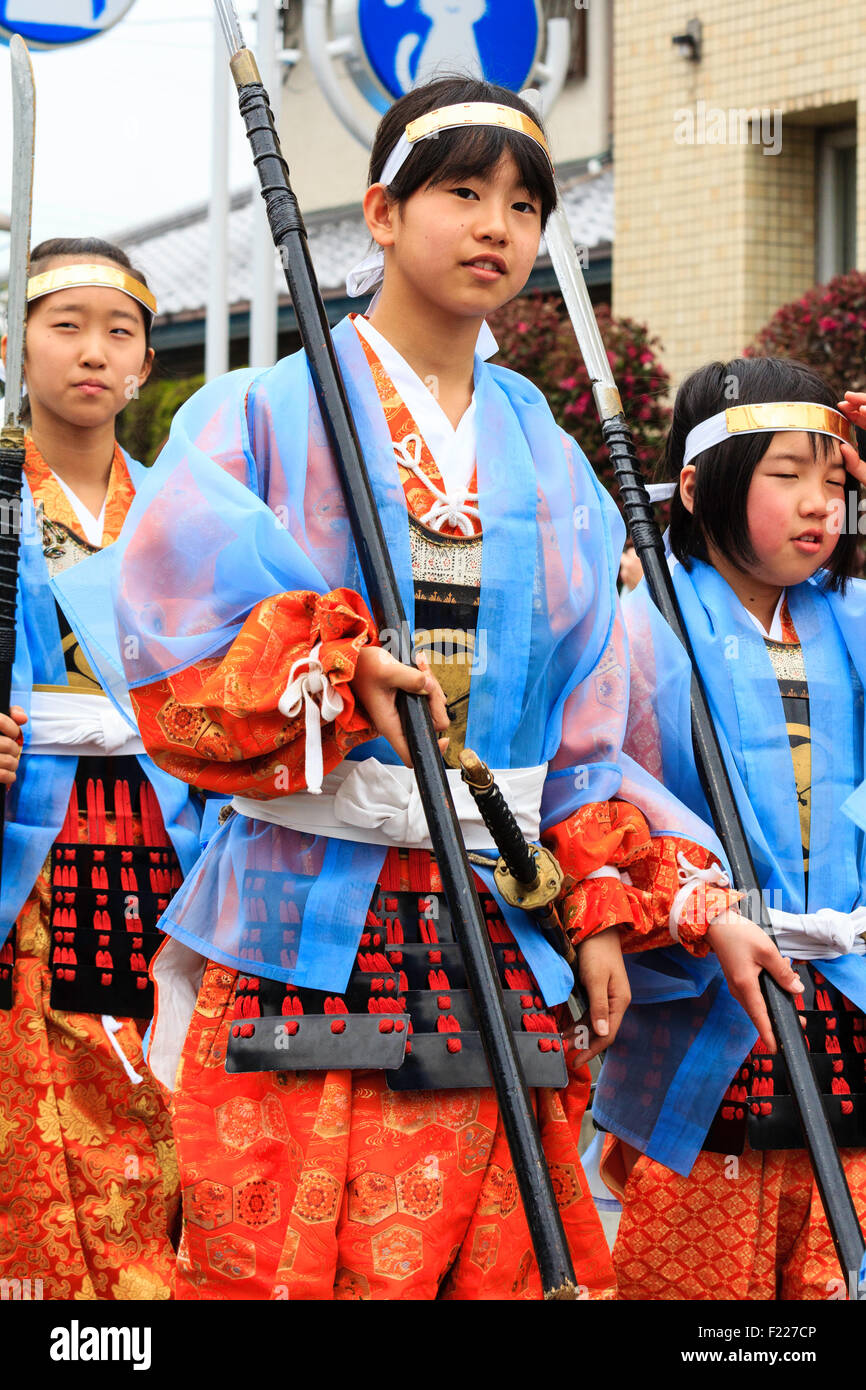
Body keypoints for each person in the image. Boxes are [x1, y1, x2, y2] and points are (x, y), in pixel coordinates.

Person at [59, 79, 797, 1302]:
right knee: (284, 1262)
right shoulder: (262, 413)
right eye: (461, 190)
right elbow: (169, 632)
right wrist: (334, 667)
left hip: (493, 930)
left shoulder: (543, 448)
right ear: (380, 214)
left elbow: (587, 729)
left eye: (523, 203)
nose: (496, 223)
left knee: (499, 1260)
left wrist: (628, 896)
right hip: (303, 916)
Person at [594, 356, 866, 1301]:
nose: (818, 504)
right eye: (787, 474)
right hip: (714, 994)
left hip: (852, 992)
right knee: (703, 1285)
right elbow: (601, 797)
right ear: (704, 484)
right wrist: (695, 902)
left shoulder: (858, 621)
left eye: (835, 479)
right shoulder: (636, 629)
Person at [0, 238, 204, 1300]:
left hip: (176, 843)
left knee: (174, 1097)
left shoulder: (188, 514)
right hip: (31, 852)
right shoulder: (0, 501)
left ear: (145, 358)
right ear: (11, 344)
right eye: (64, 324)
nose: (93, 351)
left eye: (118, 329)